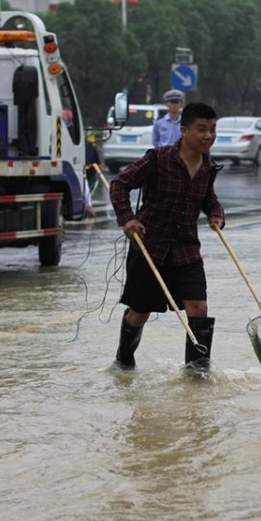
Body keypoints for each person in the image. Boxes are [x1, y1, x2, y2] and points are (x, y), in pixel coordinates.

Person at [109, 103, 225, 371]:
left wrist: (216, 213)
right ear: (184, 131)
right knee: (139, 313)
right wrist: (128, 219)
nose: (209, 136)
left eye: (212, 130)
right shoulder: (158, 159)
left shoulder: (208, 168)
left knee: (199, 307)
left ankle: (197, 373)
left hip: (187, 251)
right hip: (150, 247)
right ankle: (124, 360)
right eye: (202, 129)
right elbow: (119, 184)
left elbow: (208, 198)